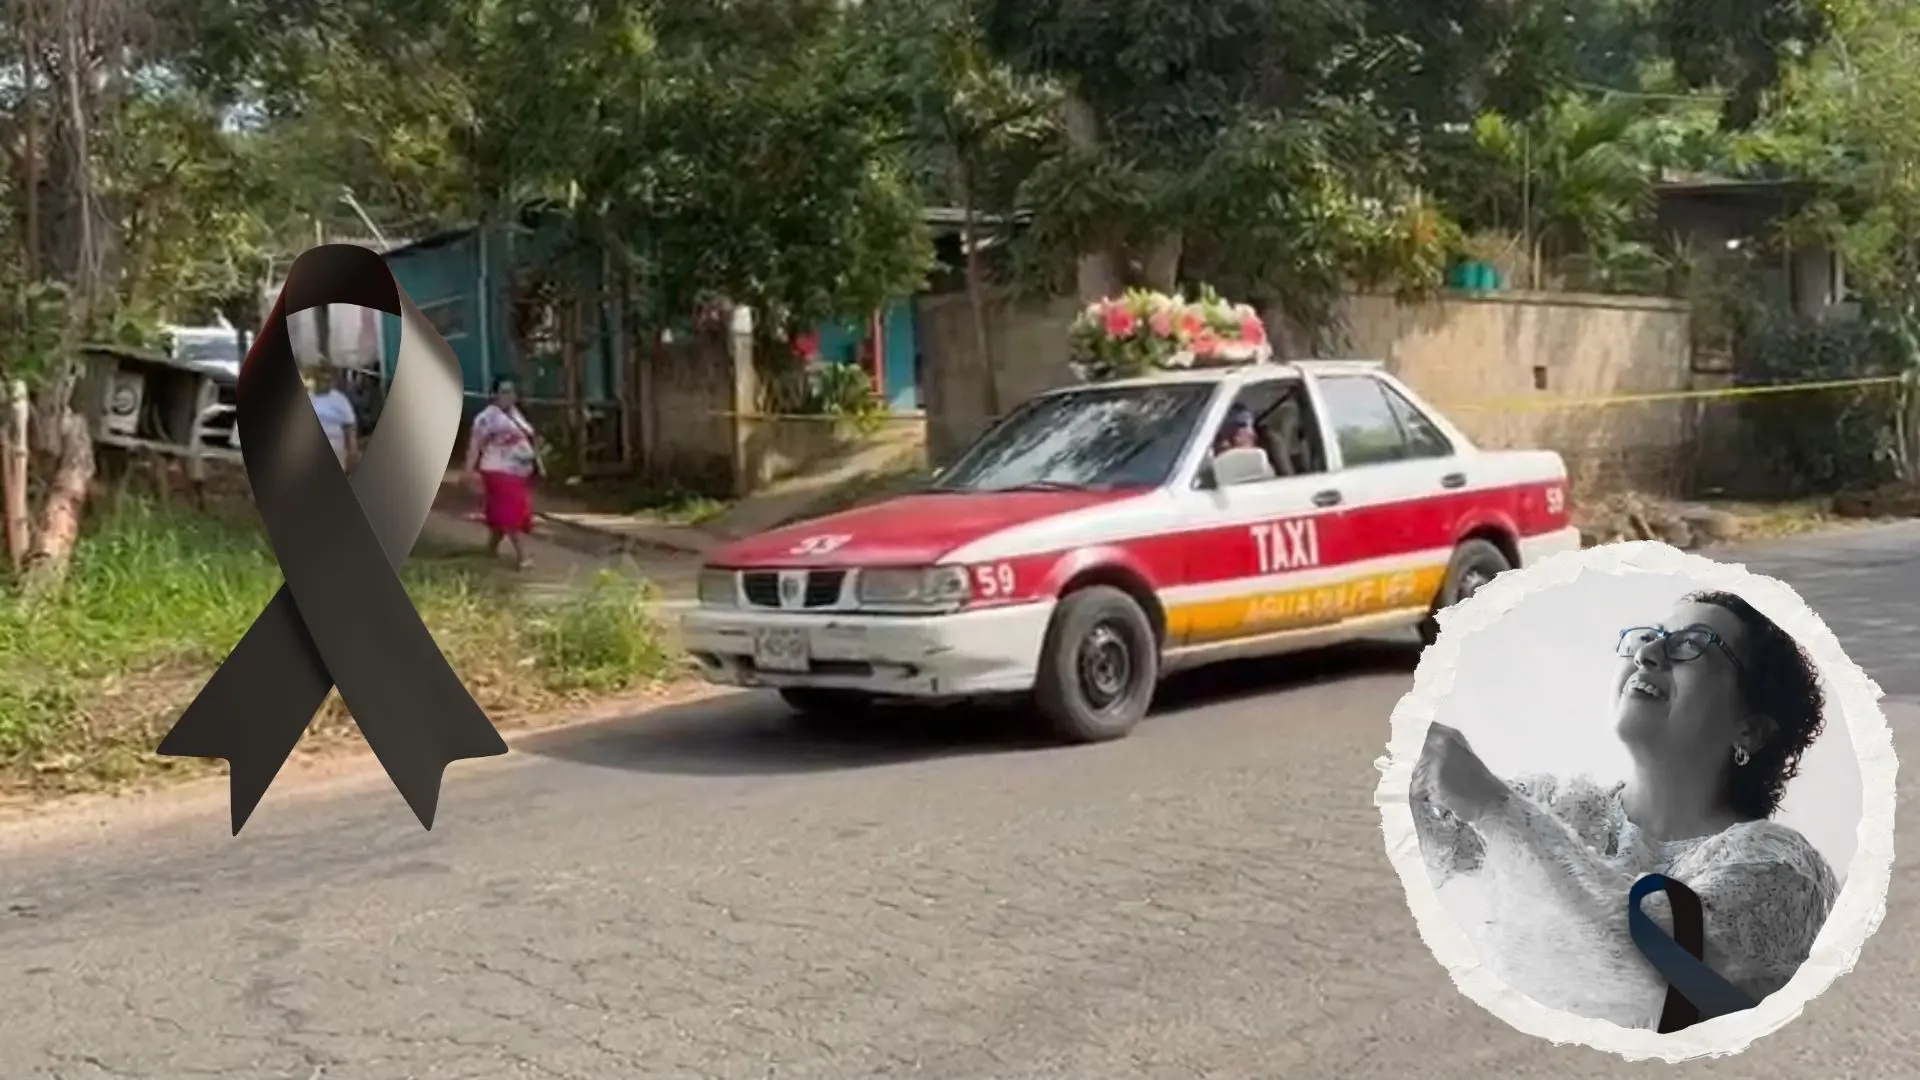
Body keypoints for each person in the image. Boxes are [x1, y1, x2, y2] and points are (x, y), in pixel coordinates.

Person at [1411, 589, 1838, 1030]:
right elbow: (1421, 836)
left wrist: (1492, 807)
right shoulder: (1555, 805)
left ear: (1750, 730)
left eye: (1691, 644)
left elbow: (1647, 962)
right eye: (1649, 637)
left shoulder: (1782, 870)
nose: (1648, 653)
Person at [464, 375, 541, 569]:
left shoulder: (516, 414)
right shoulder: (487, 418)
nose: (509, 396)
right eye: (504, 392)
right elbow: (475, 445)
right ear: (494, 394)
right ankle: (523, 556)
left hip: (519, 472)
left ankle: (491, 548)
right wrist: (468, 471)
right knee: (510, 512)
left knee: (505, 510)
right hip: (498, 470)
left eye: (512, 392)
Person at [308, 363, 359, 469]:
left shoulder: (339, 399)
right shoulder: (310, 397)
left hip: (335, 445)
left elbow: (350, 427)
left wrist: (352, 452)